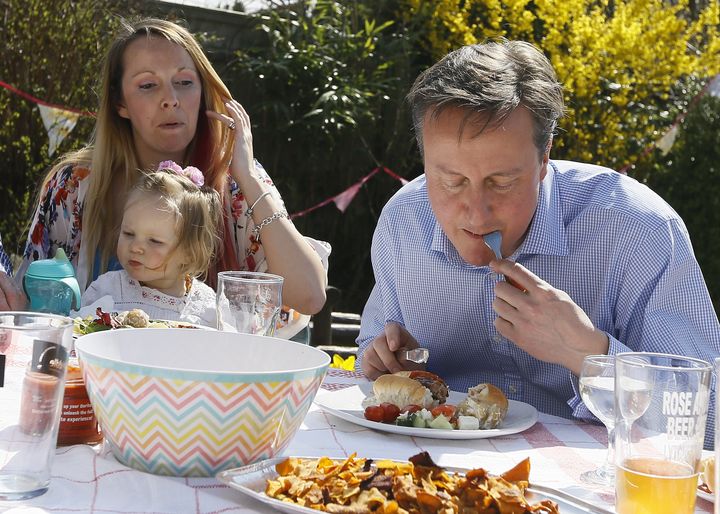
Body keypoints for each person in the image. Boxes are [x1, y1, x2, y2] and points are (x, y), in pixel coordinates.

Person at [356, 40, 720, 447]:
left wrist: (588, 355)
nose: (476, 214)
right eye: (451, 181)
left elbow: (705, 421)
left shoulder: (636, 229)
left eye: (502, 182)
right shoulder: (403, 223)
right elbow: (370, 356)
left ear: (545, 156)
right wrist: (385, 360)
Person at [0, 17, 328, 315]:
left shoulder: (236, 181)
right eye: (147, 85)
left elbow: (309, 296)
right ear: (120, 104)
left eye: (184, 82)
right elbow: (32, 301)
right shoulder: (74, 184)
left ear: (202, 91)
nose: (170, 98)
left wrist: (249, 177)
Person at [81, 164, 221, 327]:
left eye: (155, 241)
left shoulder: (206, 309)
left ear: (189, 252)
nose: (135, 247)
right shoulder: (107, 291)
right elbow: (81, 336)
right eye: (128, 233)